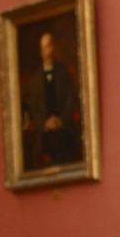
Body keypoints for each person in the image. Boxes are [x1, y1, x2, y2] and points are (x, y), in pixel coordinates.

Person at [22, 31, 81, 169]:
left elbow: (70, 99)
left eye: (49, 46)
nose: (47, 51)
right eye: (44, 48)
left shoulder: (63, 72)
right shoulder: (35, 79)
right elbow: (34, 108)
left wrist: (61, 120)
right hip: (44, 135)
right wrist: (45, 123)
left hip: (64, 130)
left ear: (53, 47)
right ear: (40, 52)